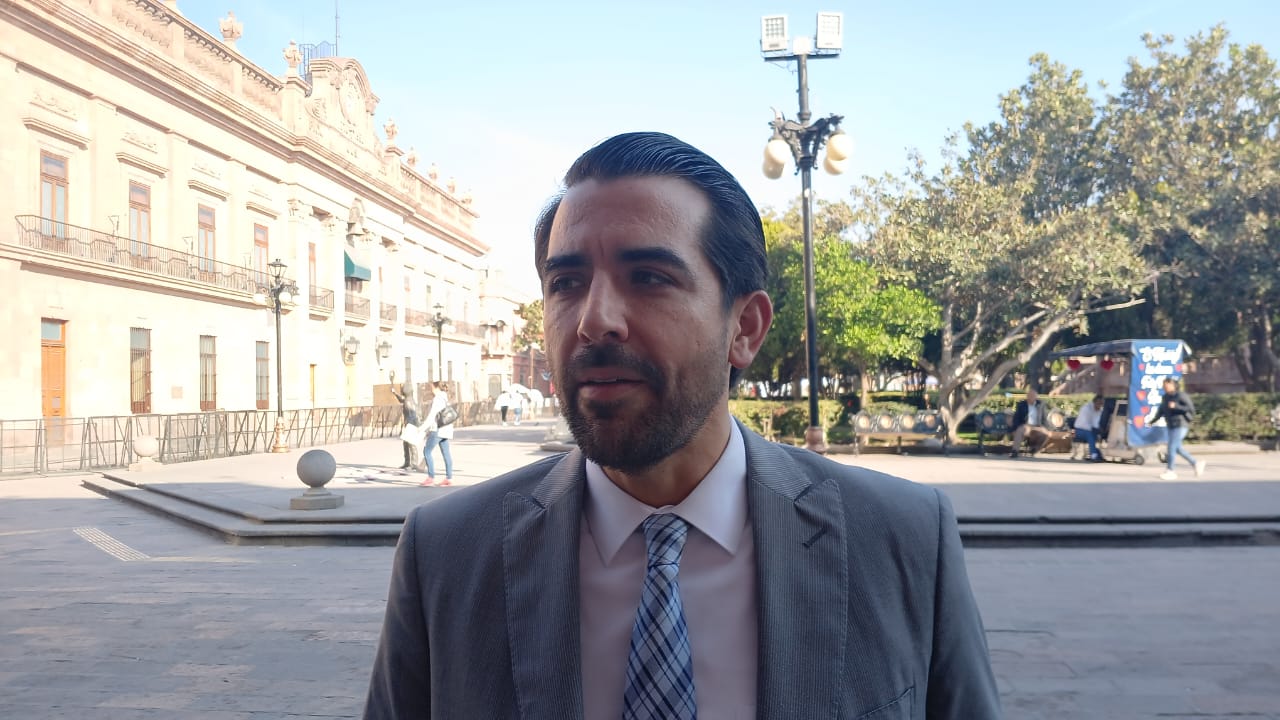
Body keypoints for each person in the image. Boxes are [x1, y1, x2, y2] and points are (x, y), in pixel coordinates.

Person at [364, 132, 1001, 719]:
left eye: (649, 278)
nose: (594, 320)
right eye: (567, 282)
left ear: (744, 328)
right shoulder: (446, 553)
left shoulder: (900, 538)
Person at [1151, 377, 1205, 480]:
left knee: (1171, 447)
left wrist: (1176, 406)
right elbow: (1161, 410)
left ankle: (1170, 471)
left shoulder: (1180, 395)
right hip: (1171, 425)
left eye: (1167, 385)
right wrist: (1152, 421)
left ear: (1173, 385)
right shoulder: (1165, 397)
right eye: (1164, 386)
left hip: (1181, 424)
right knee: (1178, 448)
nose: (1165, 387)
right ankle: (1196, 463)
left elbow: (1190, 409)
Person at [419, 382, 454, 486]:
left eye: (432, 388)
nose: (431, 390)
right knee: (446, 453)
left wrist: (422, 428)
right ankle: (449, 478)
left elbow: (431, 417)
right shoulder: (445, 398)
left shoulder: (437, 399)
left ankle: (431, 478)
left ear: (436, 388)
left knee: (427, 451)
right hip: (447, 429)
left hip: (438, 429)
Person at [1009, 388, 1050, 458]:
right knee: (1020, 430)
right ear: (1027, 396)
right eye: (1029, 396)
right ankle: (1015, 451)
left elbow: (1044, 418)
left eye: (1033, 396)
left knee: (1046, 434)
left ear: (1036, 397)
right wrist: (1015, 428)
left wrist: (1046, 428)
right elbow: (1016, 418)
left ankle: (1034, 449)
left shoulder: (1040, 404)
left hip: (1037, 426)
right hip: (1026, 425)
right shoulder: (1021, 405)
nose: (1031, 397)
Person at [388, 383, 418, 471]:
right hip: (410, 424)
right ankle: (407, 462)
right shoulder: (409, 399)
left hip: (411, 424)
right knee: (406, 444)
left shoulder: (408, 401)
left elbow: (412, 414)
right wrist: (395, 393)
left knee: (411, 444)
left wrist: (409, 425)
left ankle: (414, 463)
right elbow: (401, 400)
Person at [1073, 394, 1106, 461]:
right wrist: (1095, 430)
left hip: (1091, 429)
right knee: (1090, 435)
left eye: (1102, 404)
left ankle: (1097, 454)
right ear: (1095, 402)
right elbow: (1085, 424)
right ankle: (1094, 456)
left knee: (1096, 434)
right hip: (1080, 430)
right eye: (1100, 403)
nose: (1101, 405)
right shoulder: (1086, 408)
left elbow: (1096, 423)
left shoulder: (1100, 411)